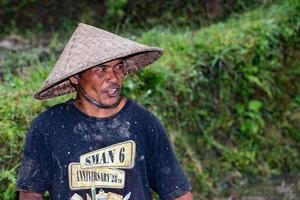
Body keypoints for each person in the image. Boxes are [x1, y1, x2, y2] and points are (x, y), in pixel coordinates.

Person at [16, 23, 193, 200]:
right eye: (101, 69)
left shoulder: (143, 123)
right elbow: (30, 193)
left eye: (119, 67)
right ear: (75, 77)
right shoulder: (48, 127)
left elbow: (178, 193)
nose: (114, 77)